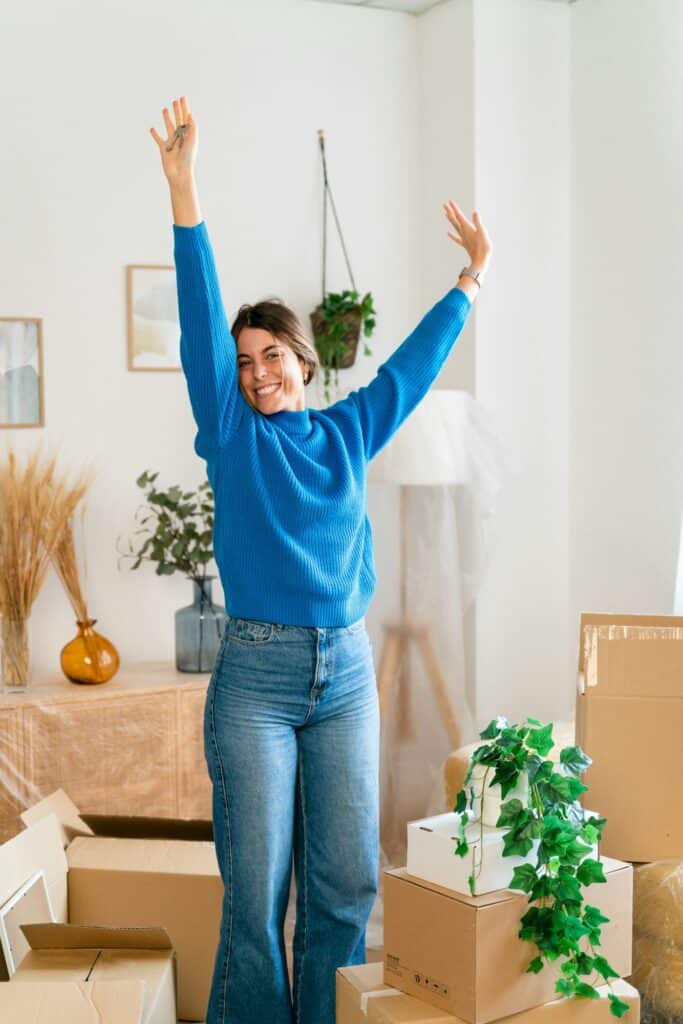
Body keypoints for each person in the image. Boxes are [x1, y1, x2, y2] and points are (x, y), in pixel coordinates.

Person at [150, 95, 492, 1024]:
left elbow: (411, 370)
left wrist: (469, 281)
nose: (257, 371)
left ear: (303, 361)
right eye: (244, 361)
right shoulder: (232, 436)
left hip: (344, 677)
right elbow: (199, 320)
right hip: (256, 680)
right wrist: (184, 190)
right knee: (257, 901)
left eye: (271, 355)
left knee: (344, 892)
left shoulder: (348, 432)